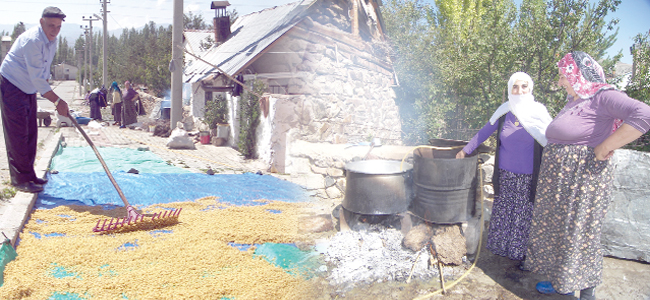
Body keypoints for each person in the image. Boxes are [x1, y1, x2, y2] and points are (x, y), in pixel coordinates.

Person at [524, 51, 650, 300]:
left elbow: (643, 114)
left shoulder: (603, 96)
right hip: (562, 179)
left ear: (578, 74)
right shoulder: (576, 99)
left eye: (563, 76)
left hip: (584, 179)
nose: (560, 82)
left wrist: (606, 146)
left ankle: (583, 289)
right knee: (561, 229)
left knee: (580, 232)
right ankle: (564, 281)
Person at [456, 72, 552, 263]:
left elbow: (552, 137)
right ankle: (500, 247)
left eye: (524, 86)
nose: (519, 90)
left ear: (530, 88)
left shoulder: (538, 112)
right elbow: (484, 132)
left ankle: (519, 254)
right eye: (515, 87)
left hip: (528, 177)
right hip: (505, 174)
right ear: (509, 89)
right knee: (504, 211)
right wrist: (465, 151)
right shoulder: (504, 111)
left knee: (522, 214)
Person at [0, 7, 70, 193]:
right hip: (12, 84)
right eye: (50, 26)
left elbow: (43, 72)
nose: (54, 30)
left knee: (31, 133)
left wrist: (51, 96)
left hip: (28, 88)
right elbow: (37, 78)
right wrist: (57, 101)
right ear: (41, 22)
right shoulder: (33, 40)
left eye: (58, 26)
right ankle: (20, 181)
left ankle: (29, 175)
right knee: (18, 134)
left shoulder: (52, 40)